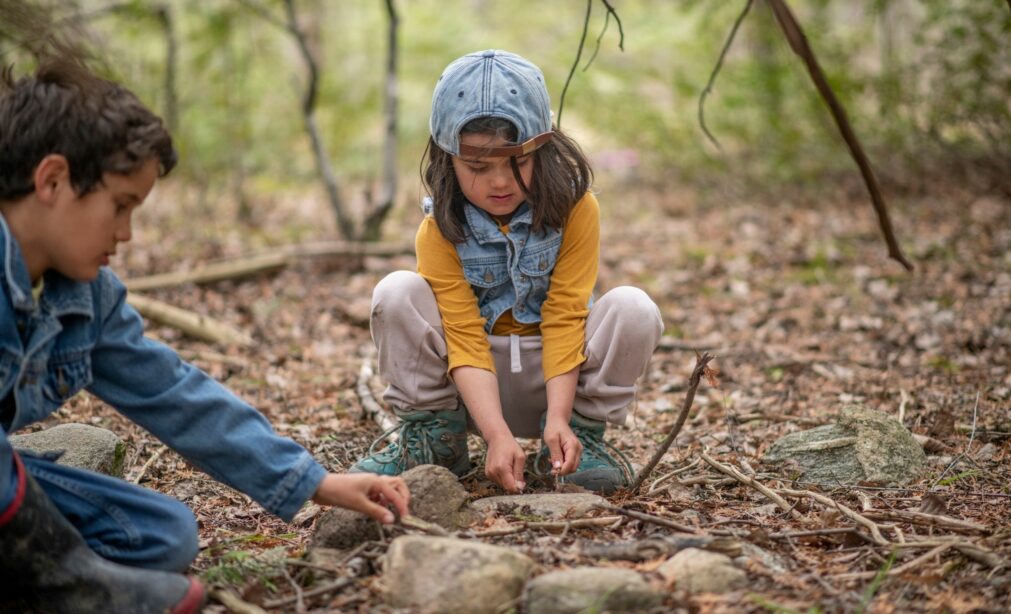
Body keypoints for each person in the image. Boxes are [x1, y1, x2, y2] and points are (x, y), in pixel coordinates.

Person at [0, 60, 410, 613]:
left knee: (160, 534)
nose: (124, 234)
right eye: (119, 206)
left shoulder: (83, 297)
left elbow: (174, 394)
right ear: (52, 180)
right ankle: (69, 583)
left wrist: (315, 482)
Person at [352, 50, 663, 495]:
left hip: (558, 380)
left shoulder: (577, 209)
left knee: (634, 307)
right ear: (448, 160)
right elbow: (461, 334)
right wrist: (497, 435)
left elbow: (565, 314)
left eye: (516, 163)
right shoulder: (438, 227)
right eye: (478, 166)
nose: (499, 182)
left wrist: (558, 417)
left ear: (543, 150)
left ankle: (580, 438)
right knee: (396, 291)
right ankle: (438, 441)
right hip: (472, 388)